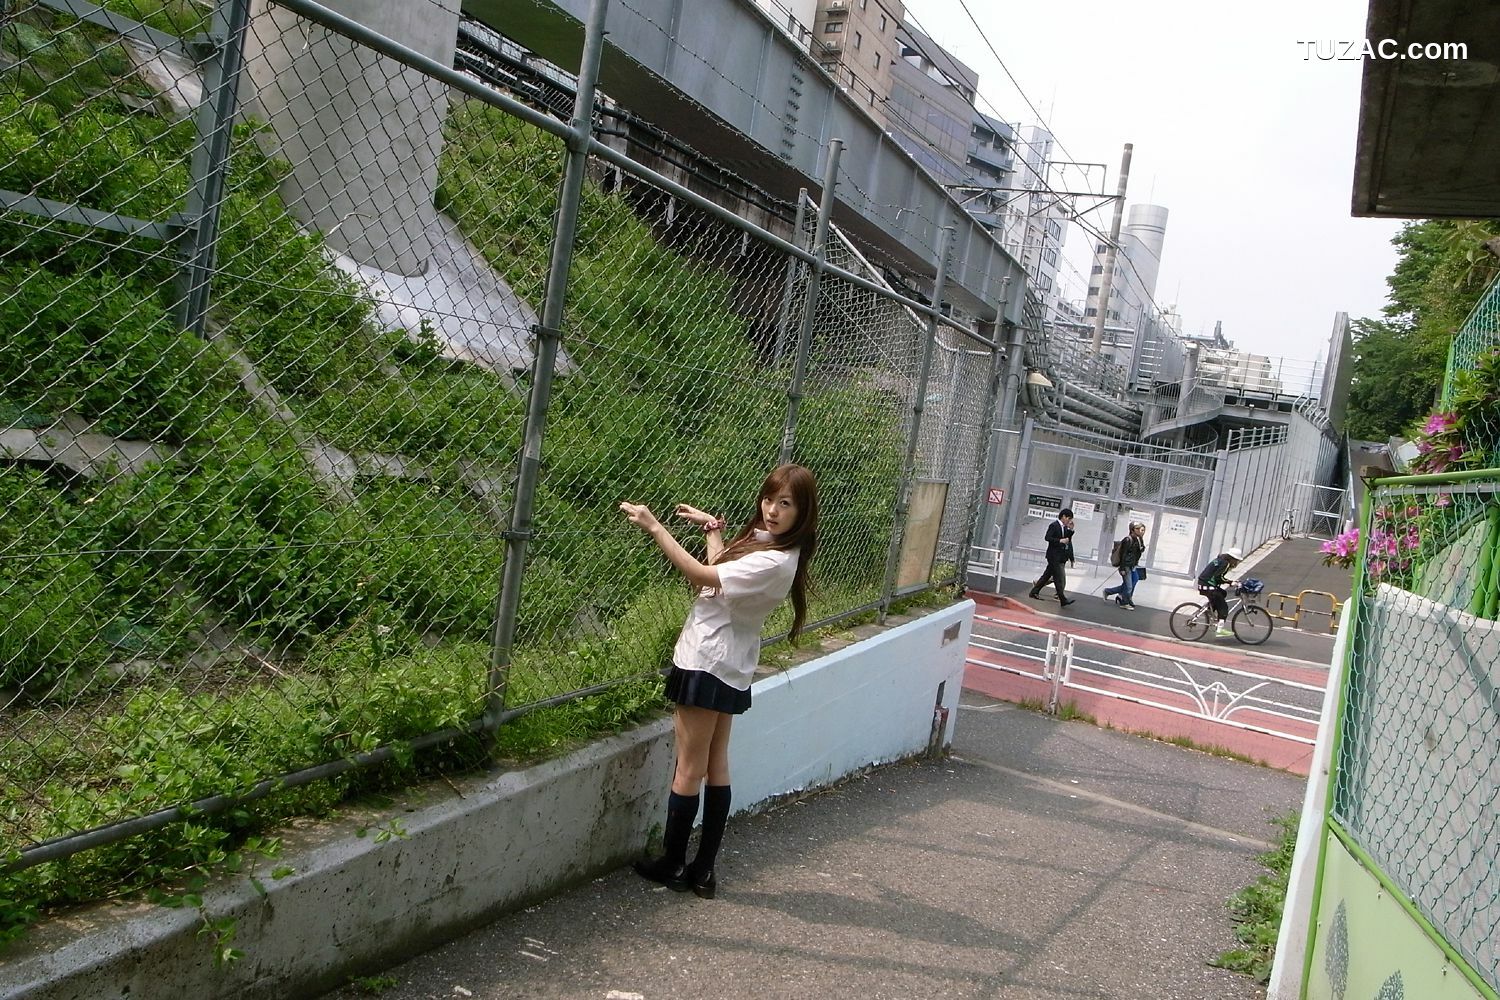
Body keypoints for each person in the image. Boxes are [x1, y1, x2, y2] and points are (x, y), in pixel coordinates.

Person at [618, 463, 818, 900]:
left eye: (785, 504)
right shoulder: (776, 550)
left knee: (689, 768)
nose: (772, 509)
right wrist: (713, 530)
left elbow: (702, 577)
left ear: (802, 512)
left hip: (706, 658)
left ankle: (674, 863)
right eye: (769, 499)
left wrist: (655, 527)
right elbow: (723, 579)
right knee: (716, 764)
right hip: (730, 665)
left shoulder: (772, 559)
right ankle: (703, 870)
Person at [1029, 508, 1076, 607]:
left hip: (1060, 556)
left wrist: (1071, 530)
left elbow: (1067, 539)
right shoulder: (1054, 525)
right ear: (1063, 516)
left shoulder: (1064, 527)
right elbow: (1047, 537)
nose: (1069, 521)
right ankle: (1062, 599)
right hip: (1053, 555)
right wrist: (1059, 541)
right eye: (1068, 518)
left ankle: (1034, 592)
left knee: (1046, 576)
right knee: (1058, 578)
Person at [1197, 547, 1243, 637]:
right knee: (1223, 607)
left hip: (1203, 584)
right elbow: (1218, 577)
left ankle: (1210, 609)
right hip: (1208, 587)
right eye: (1237, 560)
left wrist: (1230, 582)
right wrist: (1230, 582)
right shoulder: (1225, 564)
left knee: (1222, 593)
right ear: (1233, 559)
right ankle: (1219, 630)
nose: (1237, 563)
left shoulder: (1220, 560)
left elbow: (1216, 576)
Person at [1103, 521, 1146, 609]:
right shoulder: (1127, 540)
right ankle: (1124, 602)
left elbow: (1140, 550)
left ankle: (1111, 592)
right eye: (1137, 529)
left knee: (1132, 582)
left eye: (1141, 529)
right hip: (1126, 566)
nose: (1140, 531)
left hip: (1133, 565)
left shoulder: (1138, 539)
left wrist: (1141, 540)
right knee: (1129, 586)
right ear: (1132, 530)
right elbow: (1123, 554)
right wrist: (1122, 568)